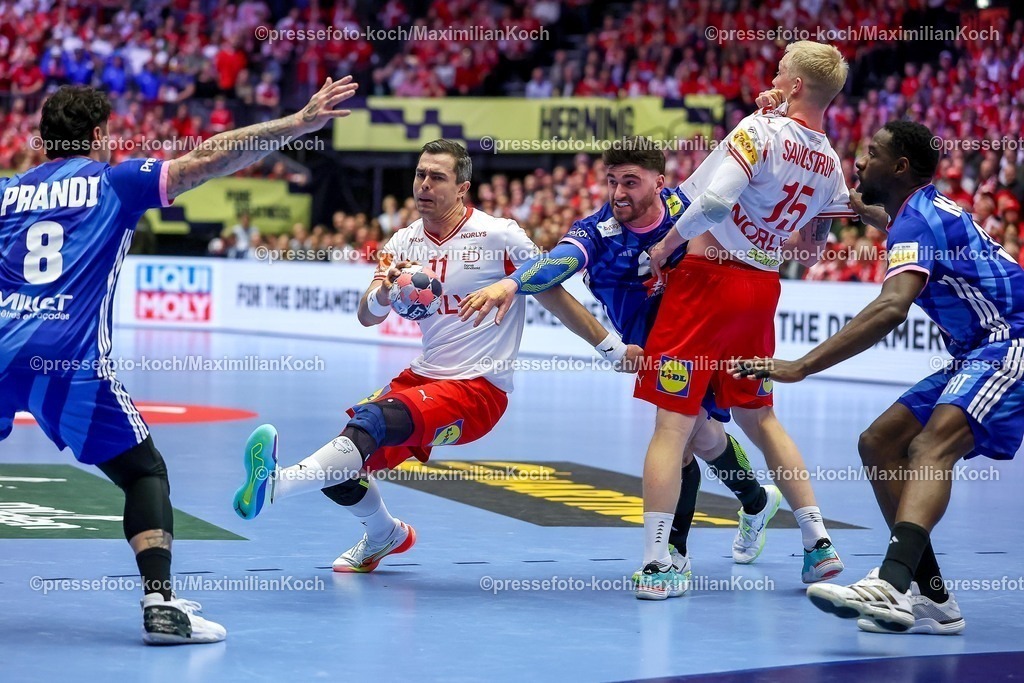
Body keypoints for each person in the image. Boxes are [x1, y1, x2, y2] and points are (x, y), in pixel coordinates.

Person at [0, 76, 359, 645]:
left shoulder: (6, 191)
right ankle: (160, 605)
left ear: (44, 141)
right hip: (67, 359)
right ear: (99, 136)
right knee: (144, 472)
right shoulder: (114, 180)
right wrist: (294, 125)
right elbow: (208, 160)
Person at [232, 139, 640, 574]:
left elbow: (554, 295)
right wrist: (386, 291)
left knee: (369, 424)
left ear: (462, 187)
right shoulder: (402, 242)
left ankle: (275, 486)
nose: (424, 185)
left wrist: (612, 349)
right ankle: (385, 534)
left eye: (437, 177)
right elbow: (366, 316)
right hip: (423, 378)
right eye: (420, 175)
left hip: (478, 390)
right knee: (343, 466)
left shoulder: (499, 235)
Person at [458, 138, 782, 600]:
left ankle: (673, 555)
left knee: (684, 440)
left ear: (659, 182)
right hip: (652, 349)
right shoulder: (598, 232)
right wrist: (511, 283)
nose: (618, 192)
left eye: (630, 181)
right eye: (611, 181)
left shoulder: (684, 210)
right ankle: (755, 500)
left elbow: (736, 171)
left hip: (702, 334)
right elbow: (556, 266)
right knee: (700, 436)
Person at [735, 120, 1024, 635]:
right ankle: (932, 598)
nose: (862, 160)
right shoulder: (920, 210)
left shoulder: (918, 223)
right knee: (879, 442)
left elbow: (891, 309)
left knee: (931, 447)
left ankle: (892, 581)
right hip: (976, 349)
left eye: (872, 153)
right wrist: (829, 193)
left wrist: (800, 366)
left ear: (901, 166)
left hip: (1012, 341)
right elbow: (874, 212)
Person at [637, 41, 858, 597]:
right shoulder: (831, 164)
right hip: (761, 287)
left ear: (796, 86)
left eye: (780, 72)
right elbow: (810, 251)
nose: (773, 78)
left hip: (707, 281)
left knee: (672, 427)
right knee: (761, 418)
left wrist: (665, 247)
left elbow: (711, 205)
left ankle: (661, 563)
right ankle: (817, 542)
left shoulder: (759, 131)